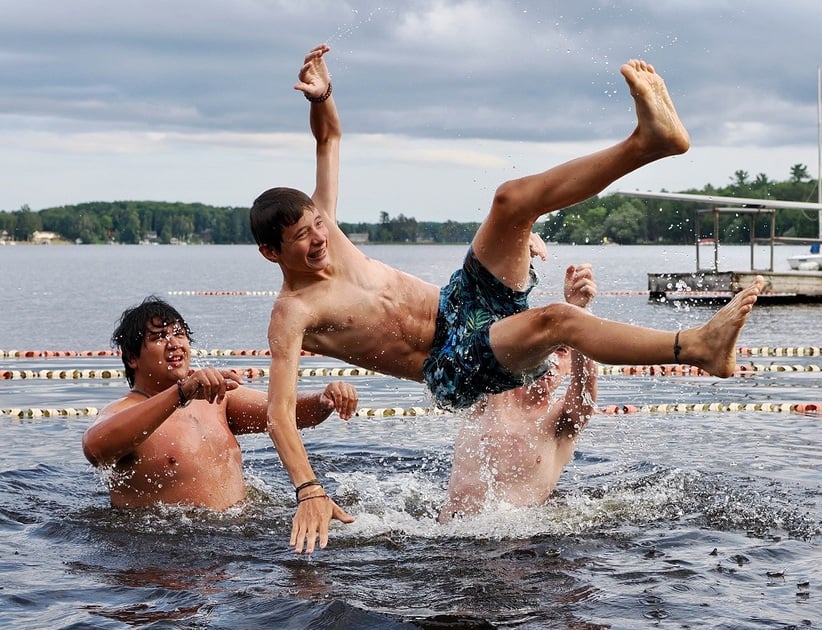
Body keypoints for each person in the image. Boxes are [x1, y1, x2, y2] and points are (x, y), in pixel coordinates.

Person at [250, 43, 765, 553]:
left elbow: (330, 140)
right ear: (272, 252)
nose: (318, 238)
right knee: (556, 320)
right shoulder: (294, 313)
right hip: (451, 363)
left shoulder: (328, 230)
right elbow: (279, 413)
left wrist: (322, 98)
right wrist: (308, 488)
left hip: (461, 303)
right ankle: (696, 346)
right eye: (302, 238)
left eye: (317, 225)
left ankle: (649, 143)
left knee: (511, 201)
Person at [82, 296, 358, 511]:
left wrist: (324, 400)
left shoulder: (216, 400)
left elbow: (286, 414)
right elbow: (95, 448)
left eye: (179, 334)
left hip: (236, 543)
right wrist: (181, 393)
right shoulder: (124, 412)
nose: (174, 344)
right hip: (167, 554)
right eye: (158, 338)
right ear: (132, 358)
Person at [440, 251, 599, 522]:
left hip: (519, 548)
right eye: (543, 349)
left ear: (570, 364)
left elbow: (587, 384)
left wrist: (579, 312)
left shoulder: (562, 420)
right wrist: (516, 248)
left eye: (561, 352)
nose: (551, 360)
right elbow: (479, 316)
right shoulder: (489, 394)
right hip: (446, 536)